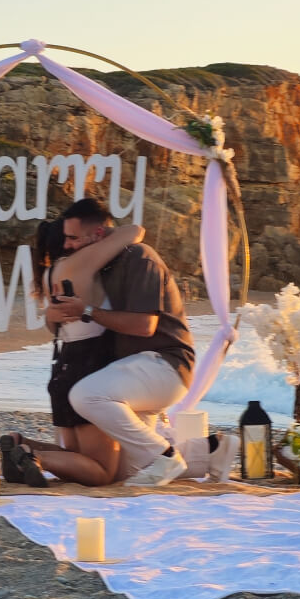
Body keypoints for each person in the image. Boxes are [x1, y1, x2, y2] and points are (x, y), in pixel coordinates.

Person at [47, 198, 238, 486]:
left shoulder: (139, 258)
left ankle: (164, 454)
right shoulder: (106, 264)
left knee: (85, 395)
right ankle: (214, 450)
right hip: (134, 371)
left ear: (97, 234)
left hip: (165, 364)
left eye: (73, 238)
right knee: (126, 470)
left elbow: (144, 325)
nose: (68, 246)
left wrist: (87, 311)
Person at [0, 217, 145, 487]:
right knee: (103, 472)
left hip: (63, 369)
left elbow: (51, 323)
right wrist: (102, 232)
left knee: (78, 458)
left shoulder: (49, 273)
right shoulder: (80, 264)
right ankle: (33, 456)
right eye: (71, 237)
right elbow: (135, 231)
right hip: (91, 369)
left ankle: (20, 445)